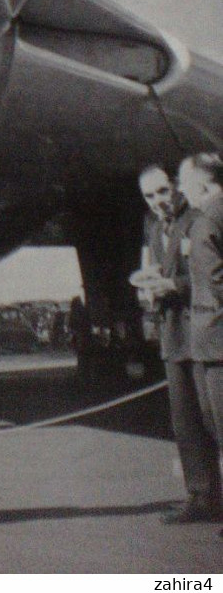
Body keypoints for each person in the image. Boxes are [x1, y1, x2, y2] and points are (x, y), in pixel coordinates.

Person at [135, 165, 222, 523]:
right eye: (150, 196)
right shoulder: (154, 227)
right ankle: (202, 497)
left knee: (213, 418)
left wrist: (176, 287)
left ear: (175, 188)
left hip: (202, 331)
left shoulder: (198, 220)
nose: (158, 201)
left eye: (162, 192)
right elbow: (157, 269)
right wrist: (149, 288)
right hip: (174, 335)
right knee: (185, 422)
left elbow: (208, 273)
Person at [177, 152, 223, 538]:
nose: (180, 190)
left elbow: (215, 285)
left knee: (219, 426)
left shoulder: (205, 220)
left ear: (204, 185)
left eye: (183, 182)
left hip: (215, 344)